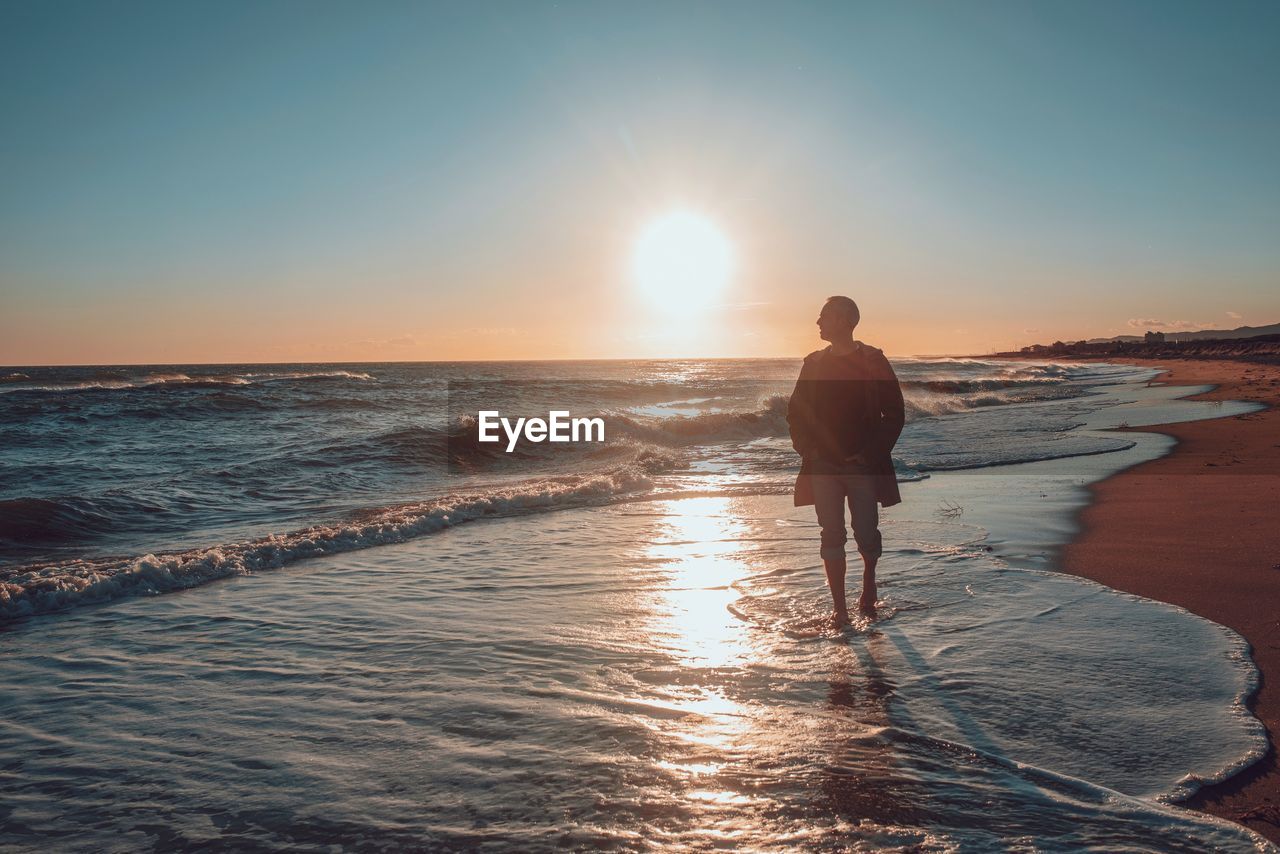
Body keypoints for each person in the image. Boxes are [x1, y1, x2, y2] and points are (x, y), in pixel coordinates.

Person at [787, 296, 905, 626]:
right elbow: (796, 412)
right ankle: (839, 609)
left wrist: (870, 454)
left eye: (823, 315)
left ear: (842, 320)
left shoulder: (873, 361)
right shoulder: (814, 363)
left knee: (866, 533)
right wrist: (807, 450)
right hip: (822, 465)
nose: (818, 322)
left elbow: (894, 414)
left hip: (863, 466)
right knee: (831, 533)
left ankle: (869, 582)